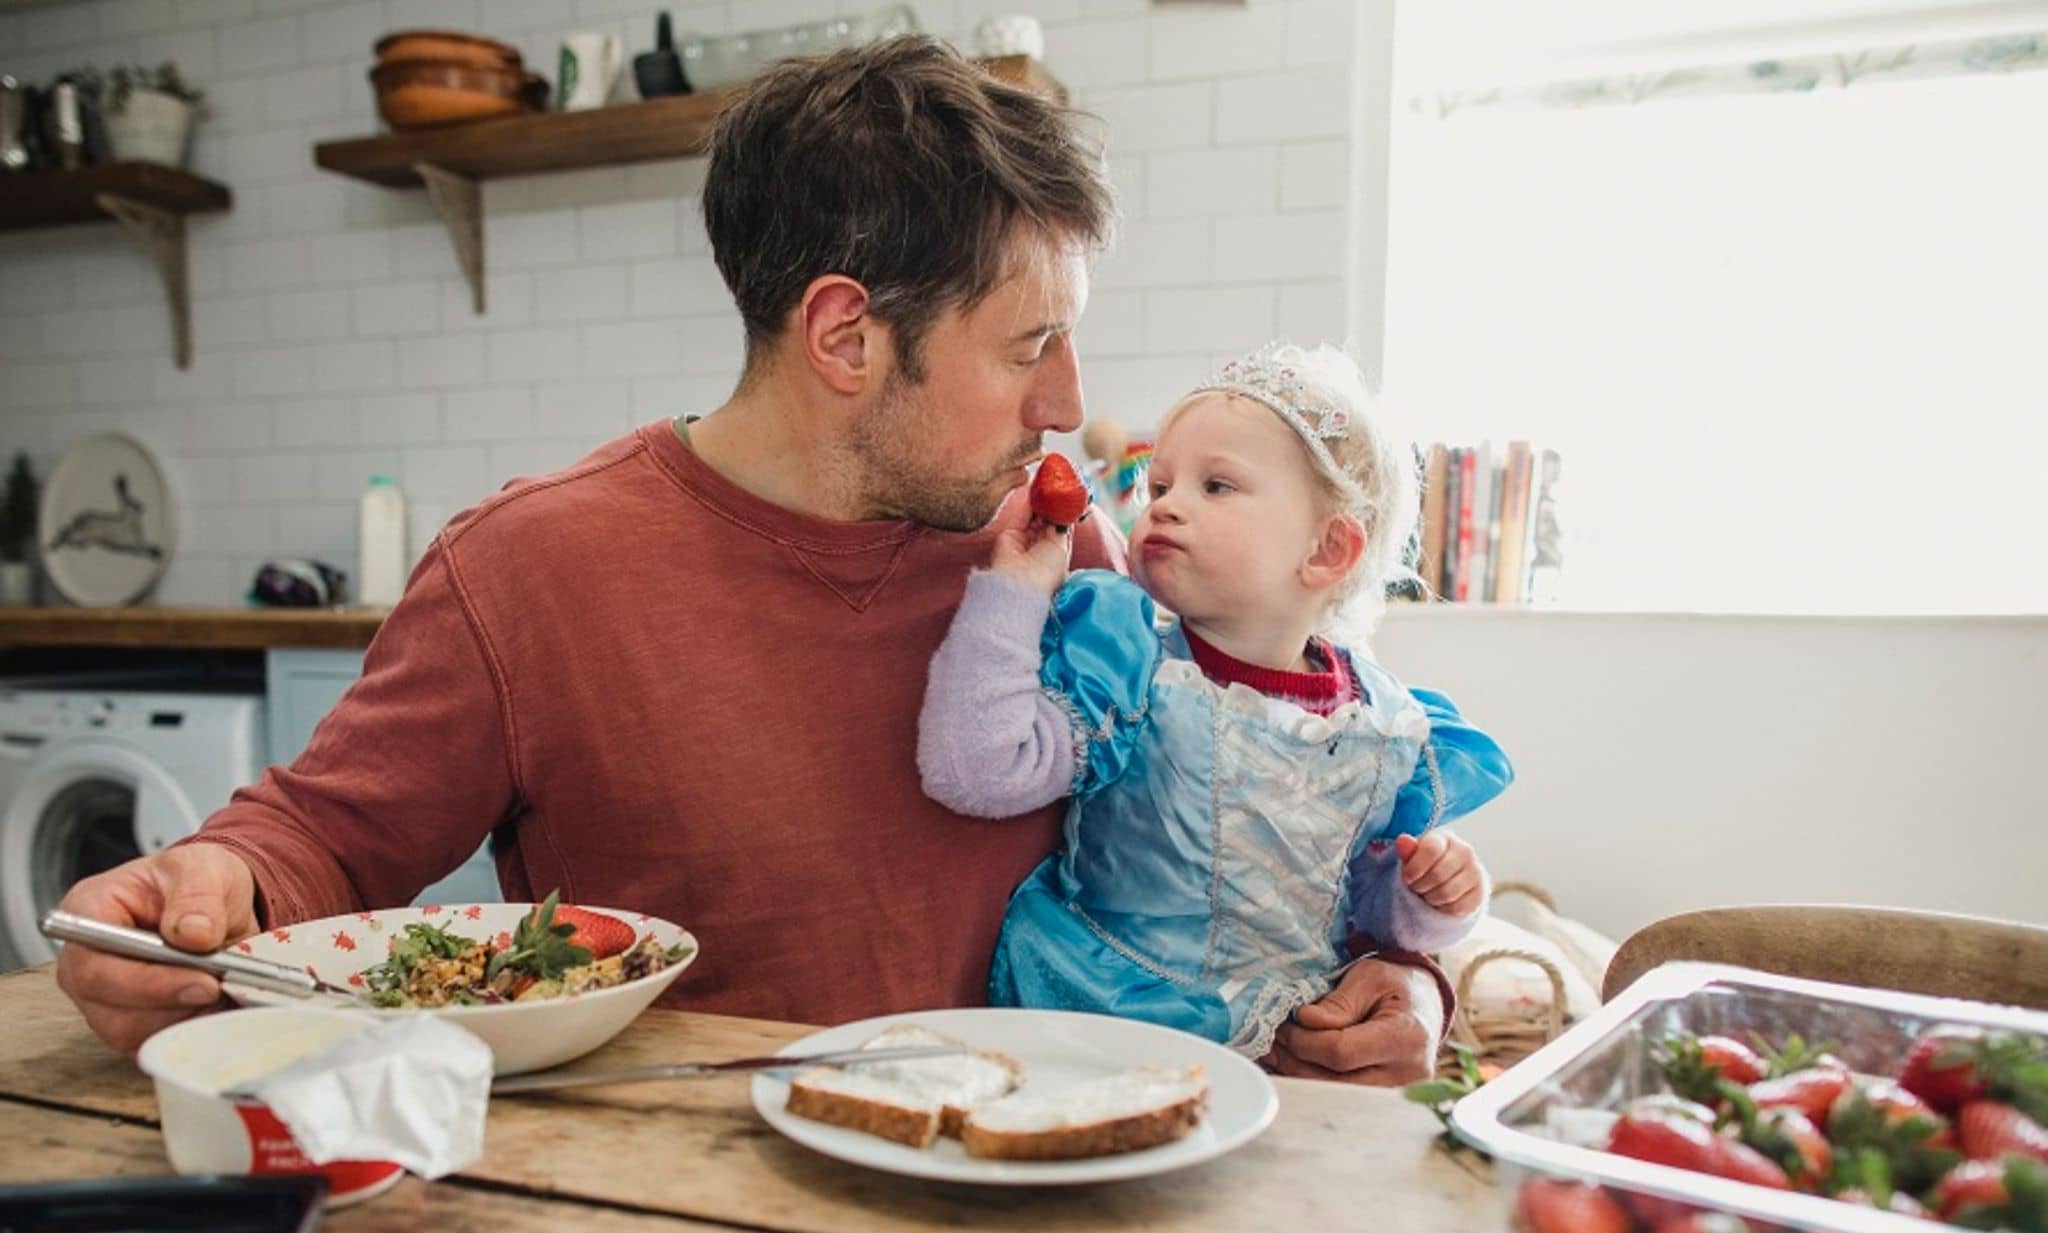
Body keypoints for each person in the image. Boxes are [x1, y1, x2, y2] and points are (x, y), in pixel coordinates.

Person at [55, 41, 1457, 1086]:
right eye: (1030, 347)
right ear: (846, 338)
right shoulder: (530, 572)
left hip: (1054, 1180)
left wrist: (1407, 972)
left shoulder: (1051, 539)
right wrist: (194, 895)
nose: (1064, 405)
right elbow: (318, 841)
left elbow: (1262, 796)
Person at [918, 342, 1513, 1067]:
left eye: (1217, 486)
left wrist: (1436, 900)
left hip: (1288, 1042)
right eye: (1160, 485)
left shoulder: (1386, 727)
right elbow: (977, 769)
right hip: (1115, 1021)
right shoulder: (1128, 662)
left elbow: (1369, 906)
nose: (1166, 504)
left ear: (1327, 551)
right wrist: (1015, 591)